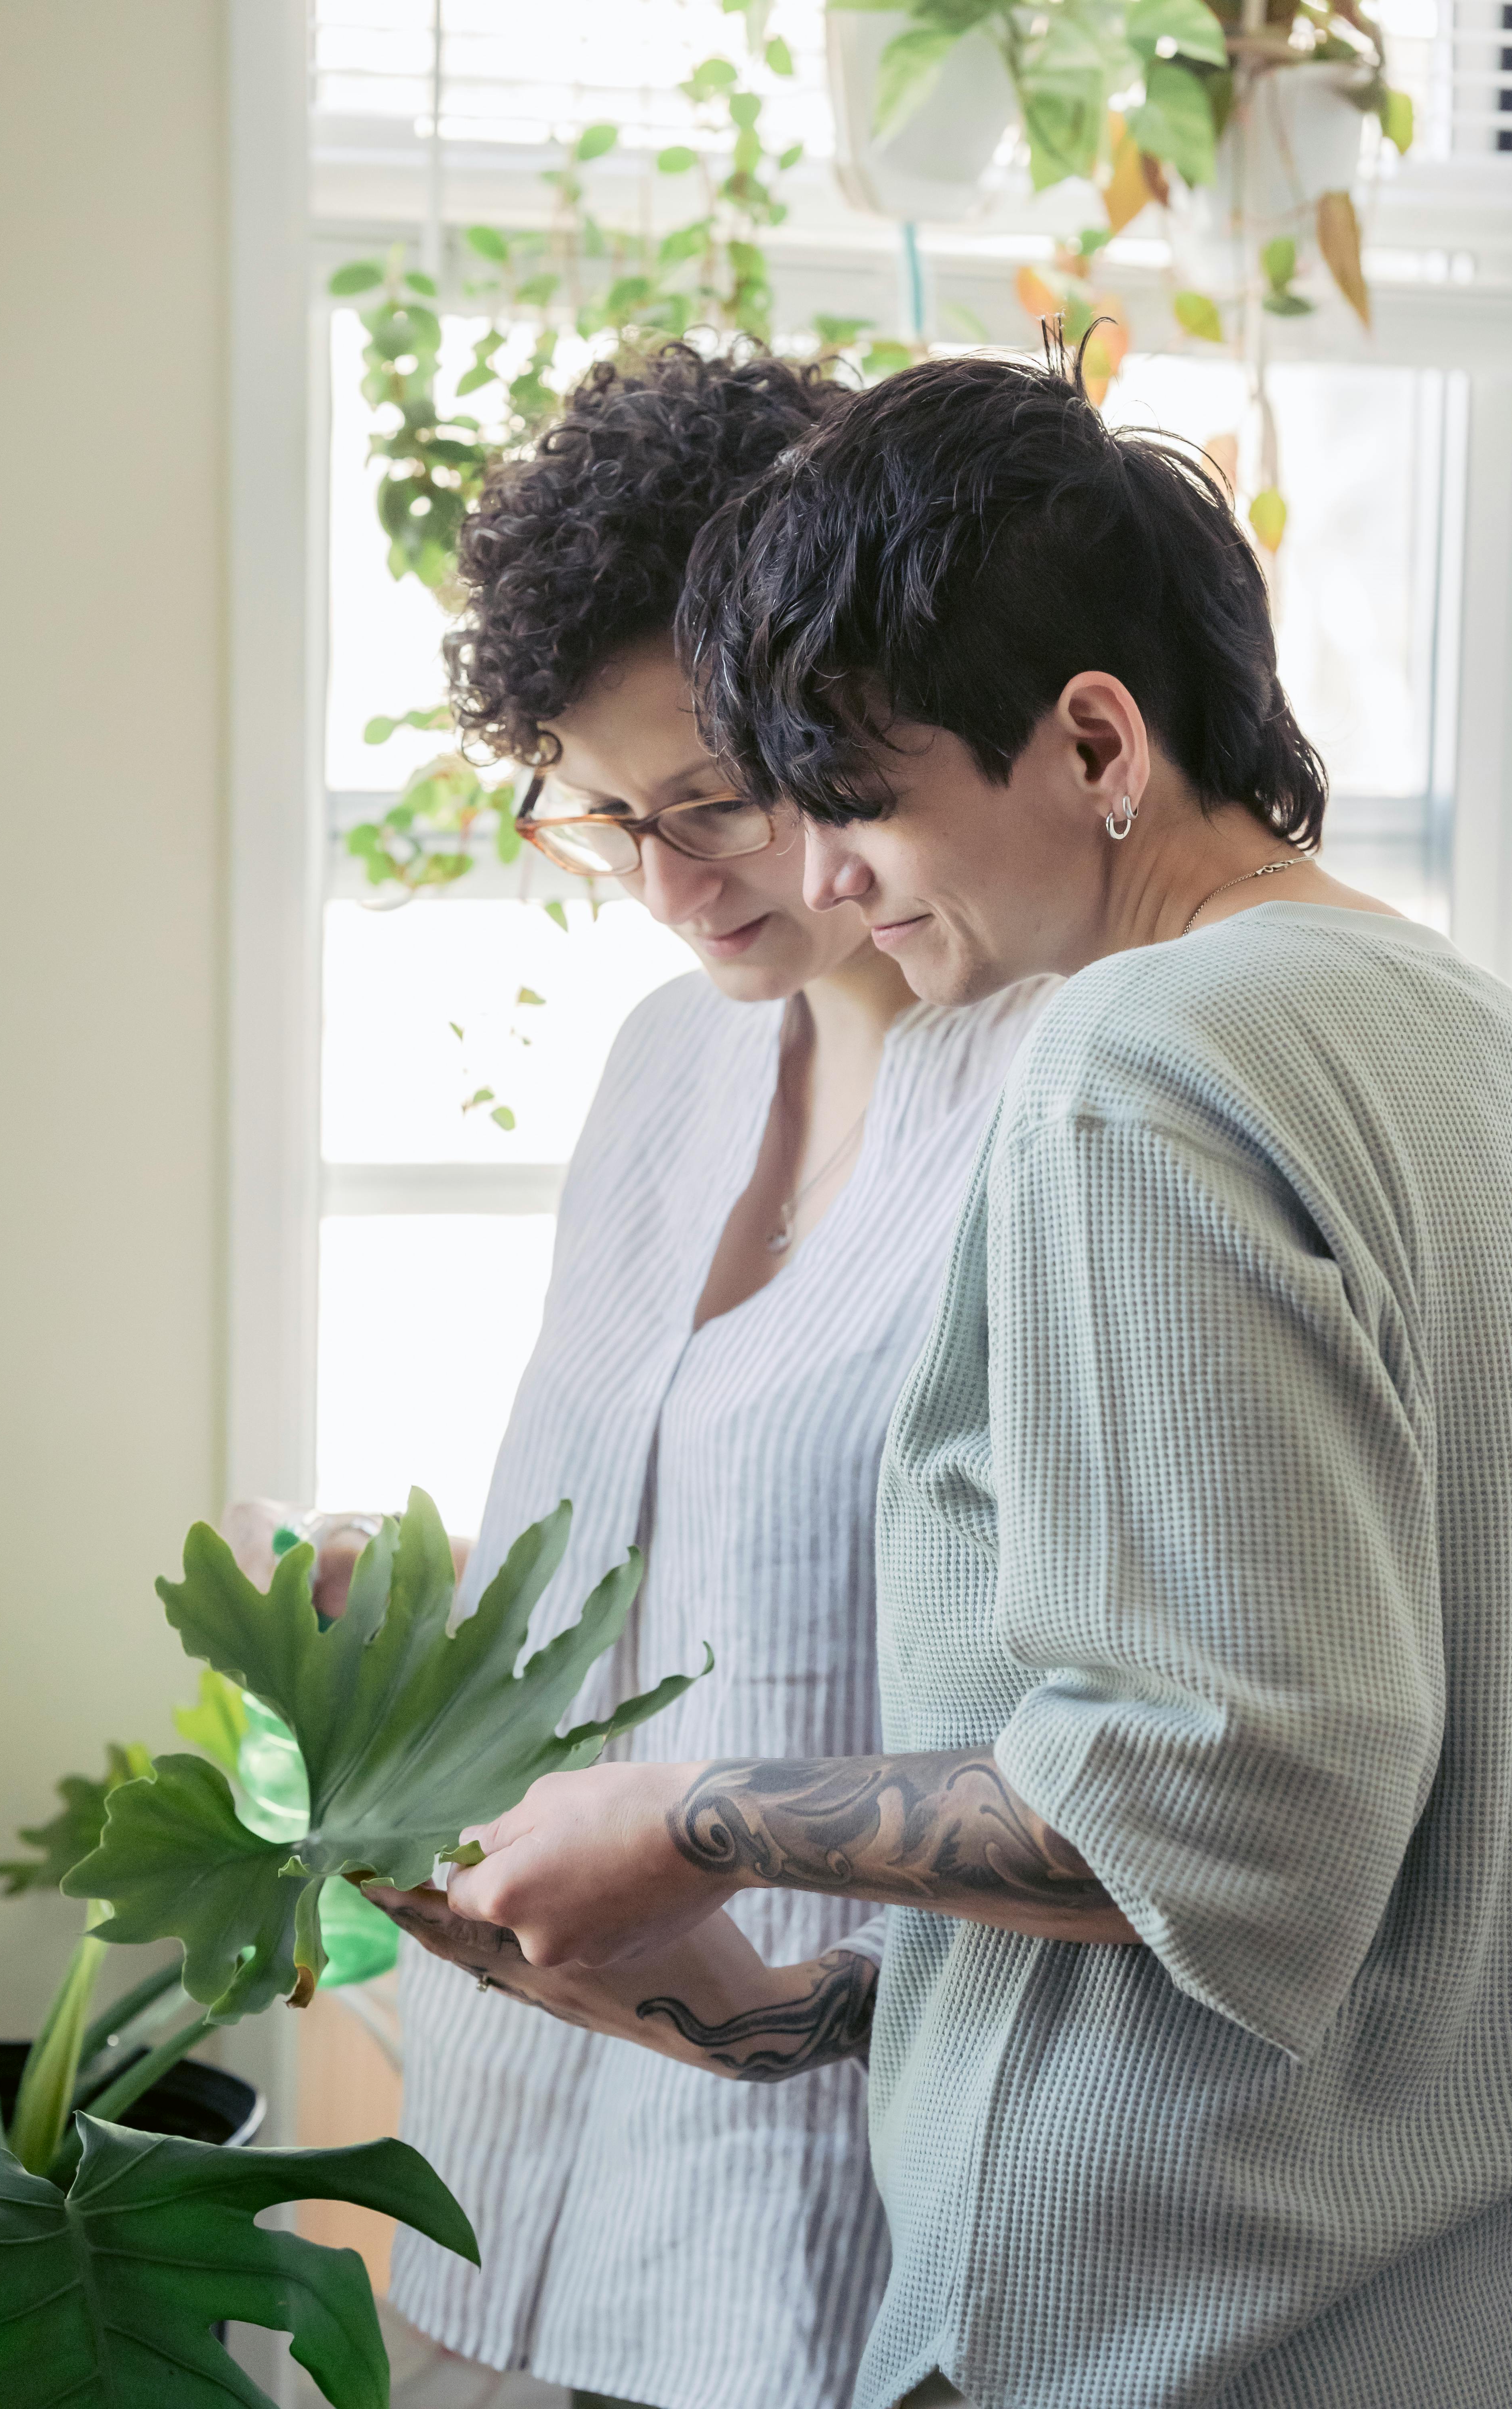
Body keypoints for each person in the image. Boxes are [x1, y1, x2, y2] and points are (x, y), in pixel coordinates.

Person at [395, 349, 1512, 2409]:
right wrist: (787, 2009)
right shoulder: (1491, 1055)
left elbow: (1222, 1797)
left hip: (1195, 2324)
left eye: (839, 800)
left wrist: (691, 1818)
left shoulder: (1136, 1066)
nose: (825, 877)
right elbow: (1381, 1817)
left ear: (1095, 740)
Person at [375, 346, 1053, 2409]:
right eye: (607, 811)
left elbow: (1136, 1747)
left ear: (858, 717)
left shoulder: (1064, 1098)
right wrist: (395, 1639)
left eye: (717, 799)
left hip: (841, 2224)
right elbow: (622, 1549)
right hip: (524, 2151)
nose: (673, 887)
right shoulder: (665, 1066)